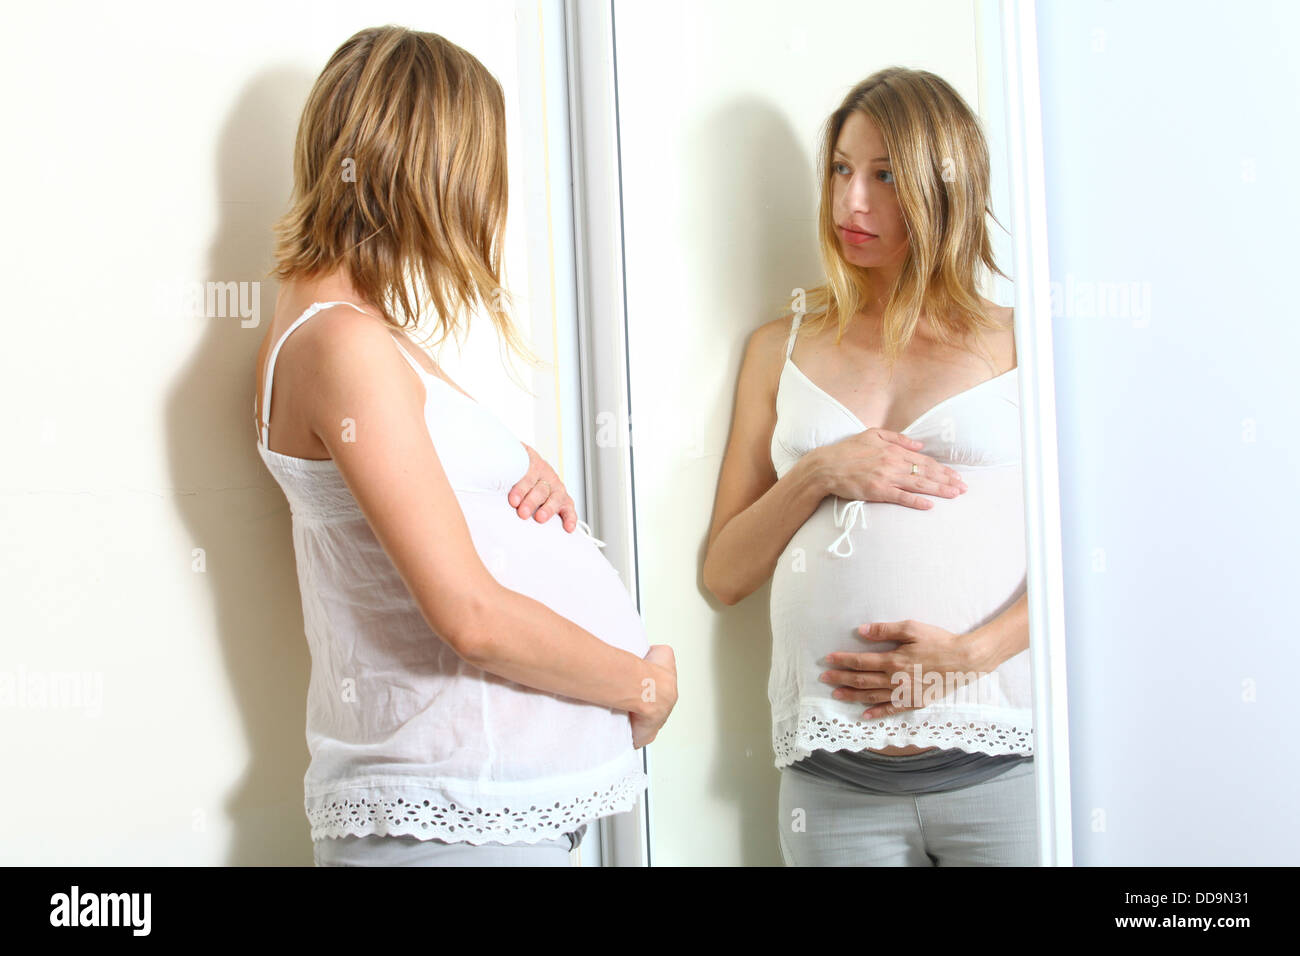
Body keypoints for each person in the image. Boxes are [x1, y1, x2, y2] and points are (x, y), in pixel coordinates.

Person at [252, 25, 676, 867]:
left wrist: (517, 467)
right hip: (447, 820)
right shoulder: (344, 346)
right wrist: (643, 684)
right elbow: (470, 617)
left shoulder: (359, 335)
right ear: (426, 171)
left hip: (480, 814)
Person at [704, 67, 1035, 866]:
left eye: (885, 176)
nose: (853, 202)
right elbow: (724, 575)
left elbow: (1104, 561)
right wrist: (818, 473)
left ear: (943, 186)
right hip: (832, 789)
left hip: (1003, 772)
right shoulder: (775, 348)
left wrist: (971, 654)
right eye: (842, 170)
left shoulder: (1028, 344)